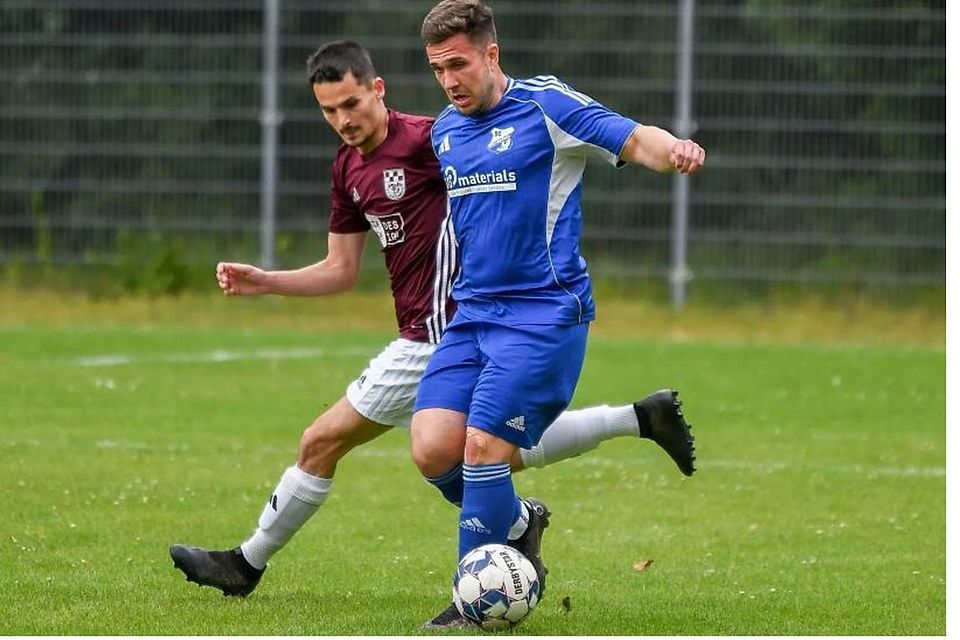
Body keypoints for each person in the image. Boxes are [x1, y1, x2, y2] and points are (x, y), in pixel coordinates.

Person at [167, 40, 695, 608]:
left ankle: (247, 564)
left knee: (331, 441)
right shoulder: (348, 168)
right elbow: (340, 270)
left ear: (378, 89)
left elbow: (507, 178)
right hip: (439, 331)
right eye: (328, 110)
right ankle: (620, 434)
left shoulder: (429, 137)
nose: (343, 120)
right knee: (472, 449)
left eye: (352, 103)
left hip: (443, 329)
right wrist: (266, 281)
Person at [410, 0, 706, 629]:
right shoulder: (444, 131)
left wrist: (671, 148)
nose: (449, 80)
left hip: (543, 316)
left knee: (483, 447)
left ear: (492, 53)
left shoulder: (546, 106)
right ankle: (519, 525)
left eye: (458, 64)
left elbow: (629, 136)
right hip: (473, 317)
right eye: (437, 68)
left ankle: (473, 603)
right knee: (434, 451)